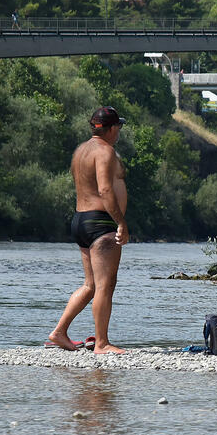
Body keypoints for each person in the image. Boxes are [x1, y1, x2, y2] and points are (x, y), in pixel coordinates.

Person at [47, 107, 129, 354]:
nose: (119, 132)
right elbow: (105, 190)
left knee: (90, 285)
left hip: (81, 220)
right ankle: (102, 344)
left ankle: (59, 333)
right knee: (106, 284)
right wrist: (121, 223)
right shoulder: (105, 152)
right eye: (119, 128)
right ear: (111, 128)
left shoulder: (80, 151)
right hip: (100, 222)